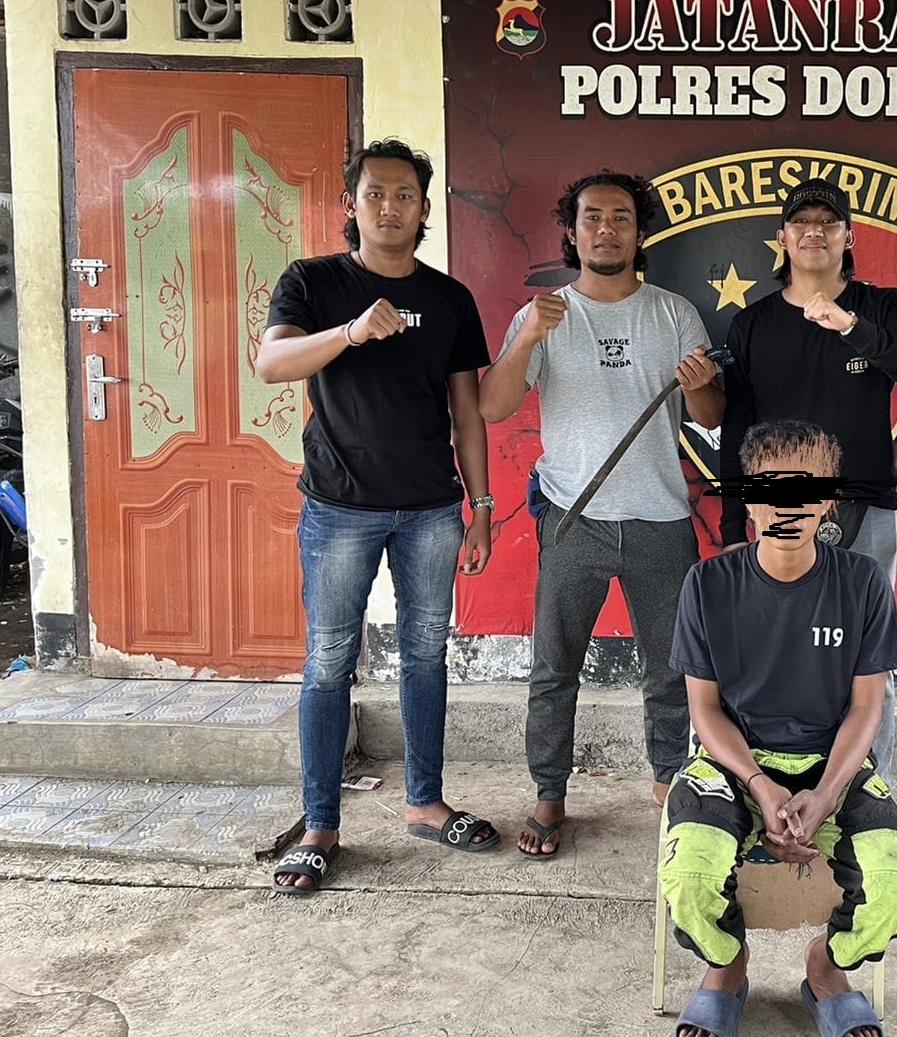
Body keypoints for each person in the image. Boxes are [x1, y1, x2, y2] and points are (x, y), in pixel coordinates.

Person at [258, 137, 498, 896]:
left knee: (426, 655)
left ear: (424, 210)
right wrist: (351, 332)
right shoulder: (313, 281)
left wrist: (481, 507)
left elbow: (468, 413)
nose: (389, 206)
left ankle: (425, 803)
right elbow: (271, 364)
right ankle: (320, 826)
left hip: (431, 508)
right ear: (351, 204)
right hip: (339, 507)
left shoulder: (451, 298)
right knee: (330, 660)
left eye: (405, 195)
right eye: (375, 193)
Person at [660, 420, 897, 1037]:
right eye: (771, 488)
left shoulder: (862, 583)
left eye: (806, 488)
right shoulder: (708, 585)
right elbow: (704, 709)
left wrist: (825, 795)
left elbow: (867, 707)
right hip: (734, 765)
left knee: (895, 887)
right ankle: (727, 965)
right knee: (688, 879)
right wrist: (760, 784)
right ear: (748, 499)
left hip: (832, 767)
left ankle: (827, 968)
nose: (788, 505)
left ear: (829, 499)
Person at [481, 171, 724, 859]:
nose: (606, 229)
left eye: (621, 217)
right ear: (572, 230)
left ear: (640, 232)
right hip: (573, 519)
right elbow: (494, 406)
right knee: (554, 668)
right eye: (592, 217)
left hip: (660, 519)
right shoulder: (544, 314)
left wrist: (702, 387)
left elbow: (712, 418)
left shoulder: (673, 313)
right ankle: (549, 795)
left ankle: (669, 785)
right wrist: (526, 338)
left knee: (672, 668)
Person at [717, 178, 897, 786]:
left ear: (849, 236)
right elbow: (737, 427)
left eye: (828, 221)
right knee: (778, 656)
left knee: (867, 665)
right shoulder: (753, 323)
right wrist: (733, 523)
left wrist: (851, 327)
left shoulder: (880, 307)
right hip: (777, 512)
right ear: (782, 238)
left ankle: (869, 792)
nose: (814, 231)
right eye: (801, 222)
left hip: (864, 508)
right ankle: (780, 788)